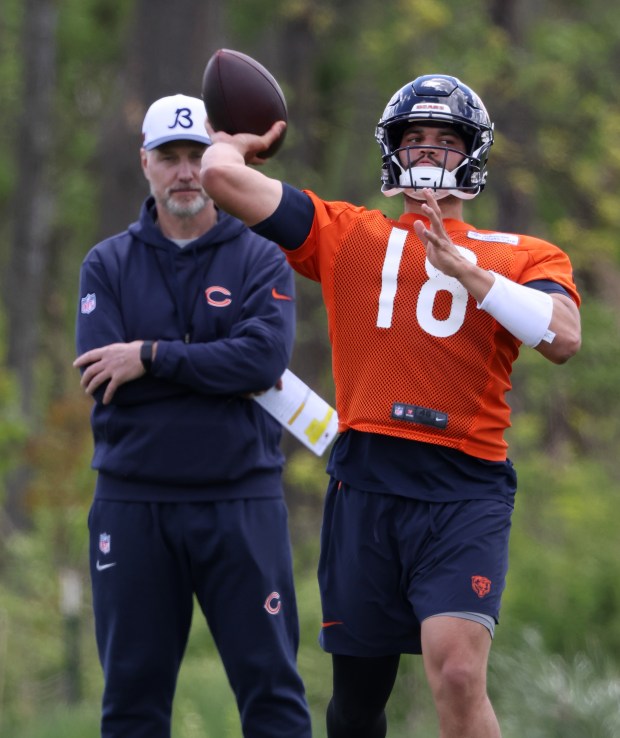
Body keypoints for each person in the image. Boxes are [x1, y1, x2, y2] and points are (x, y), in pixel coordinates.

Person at [198, 75, 582, 738]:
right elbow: (224, 182)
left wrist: (471, 275)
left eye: (445, 139)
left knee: (459, 676)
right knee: (357, 703)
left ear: (472, 153)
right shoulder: (350, 235)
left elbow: (563, 336)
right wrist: (230, 144)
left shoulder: (522, 255)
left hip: (464, 487)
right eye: (415, 138)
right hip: (368, 482)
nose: (429, 151)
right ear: (392, 153)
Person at [74, 93, 312, 738]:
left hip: (240, 501)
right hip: (134, 504)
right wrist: (214, 368)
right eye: (170, 157)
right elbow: (103, 380)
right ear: (145, 163)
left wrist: (150, 357)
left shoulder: (261, 256)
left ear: (218, 164)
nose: (185, 172)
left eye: (198, 156)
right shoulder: (107, 264)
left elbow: (262, 362)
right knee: (131, 700)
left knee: (272, 693)